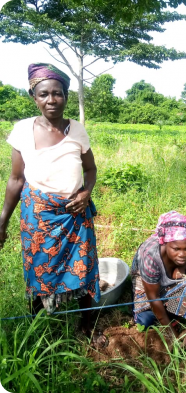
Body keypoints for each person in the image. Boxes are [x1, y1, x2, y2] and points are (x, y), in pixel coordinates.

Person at [0, 63, 104, 347]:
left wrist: (86, 192)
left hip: (75, 213)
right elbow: (16, 179)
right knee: (38, 268)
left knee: (84, 266)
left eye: (57, 93)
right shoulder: (22, 130)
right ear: (34, 96)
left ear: (66, 96)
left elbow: (91, 169)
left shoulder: (77, 130)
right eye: (44, 94)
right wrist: (2, 220)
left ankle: (87, 325)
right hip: (38, 214)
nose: (51, 100)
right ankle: (35, 326)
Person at [131, 211, 186, 347]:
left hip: (176, 283)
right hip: (148, 284)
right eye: (176, 248)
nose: (182, 254)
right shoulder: (150, 256)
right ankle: (165, 317)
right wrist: (171, 334)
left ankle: (172, 314)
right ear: (165, 243)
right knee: (146, 320)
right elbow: (153, 297)